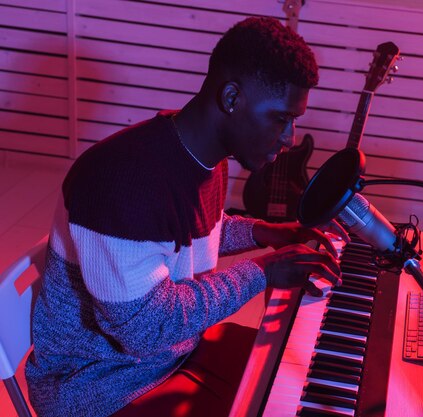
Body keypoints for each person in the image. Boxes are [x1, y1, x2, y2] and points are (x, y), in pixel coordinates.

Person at [26, 16, 345, 417]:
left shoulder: (203, 155)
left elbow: (189, 234)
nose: (289, 137)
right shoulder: (118, 184)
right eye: (281, 118)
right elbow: (145, 329)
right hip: (98, 385)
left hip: (167, 355)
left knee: (297, 376)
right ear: (232, 99)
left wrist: (267, 232)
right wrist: (264, 272)